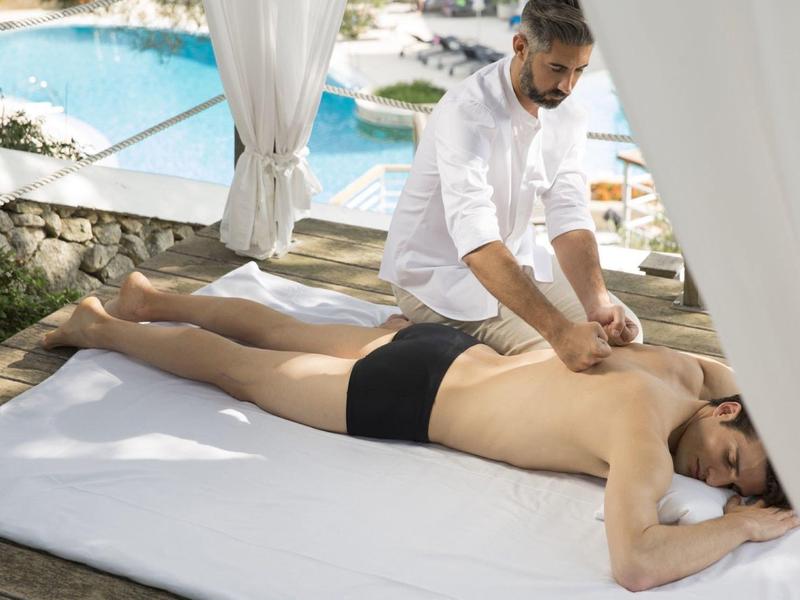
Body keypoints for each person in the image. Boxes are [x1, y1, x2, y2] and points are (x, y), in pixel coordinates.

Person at [44, 272, 796, 592]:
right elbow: (635, 564)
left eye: (734, 484)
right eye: (729, 460)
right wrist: (740, 528)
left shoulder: (695, 373)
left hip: (448, 352)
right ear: (726, 414)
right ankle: (101, 329)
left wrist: (768, 472)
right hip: (410, 396)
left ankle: (151, 299)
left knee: (280, 330)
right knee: (239, 372)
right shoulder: (643, 435)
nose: (714, 478)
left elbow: (769, 391)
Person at [380, 0, 641, 372]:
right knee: (561, 363)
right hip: (436, 279)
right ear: (521, 46)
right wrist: (560, 333)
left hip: (513, 261)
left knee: (627, 337)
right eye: (557, 68)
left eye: (579, 70)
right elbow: (477, 242)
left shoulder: (567, 112)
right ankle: (408, 335)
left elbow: (568, 213)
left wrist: (597, 303)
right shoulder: (468, 112)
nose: (568, 86)